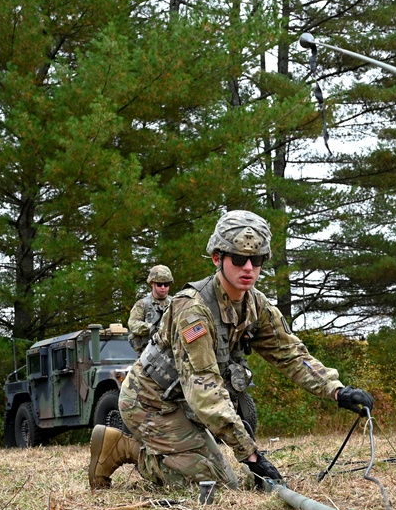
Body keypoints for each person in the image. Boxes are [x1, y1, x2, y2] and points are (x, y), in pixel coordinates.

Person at [88, 210, 374, 492]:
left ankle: (175, 449)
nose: (248, 267)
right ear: (217, 258)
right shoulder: (193, 310)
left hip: (186, 403)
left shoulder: (255, 305)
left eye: (257, 259)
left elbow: (290, 353)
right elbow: (206, 392)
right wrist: (251, 456)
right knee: (213, 485)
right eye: (238, 259)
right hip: (150, 403)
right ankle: (123, 448)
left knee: (219, 478)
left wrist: (336, 390)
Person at [128, 265, 173, 352]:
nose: (163, 287)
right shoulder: (142, 304)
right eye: (159, 284)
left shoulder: (175, 303)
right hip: (147, 353)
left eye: (166, 284)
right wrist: (151, 328)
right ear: (152, 283)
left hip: (170, 353)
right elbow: (133, 324)